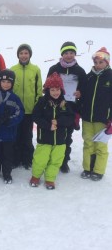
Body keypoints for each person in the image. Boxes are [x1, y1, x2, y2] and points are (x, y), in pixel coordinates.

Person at [47, 41, 86, 173]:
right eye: (66, 53)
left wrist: (81, 92)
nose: (69, 55)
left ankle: (64, 161)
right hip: (54, 108)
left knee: (66, 138)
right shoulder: (54, 69)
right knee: (51, 135)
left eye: (71, 53)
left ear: (75, 54)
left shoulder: (80, 71)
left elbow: (85, 89)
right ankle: (50, 159)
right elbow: (47, 88)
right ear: (62, 54)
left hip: (70, 109)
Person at [30, 72, 74, 189]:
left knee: (56, 160)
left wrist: (59, 122)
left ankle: (50, 179)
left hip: (60, 140)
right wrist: (48, 125)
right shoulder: (42, 102)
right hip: (45, 137)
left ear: (62, 90)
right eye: (53, 90)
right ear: (48, 90)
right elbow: (36, 116)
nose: (55, 92)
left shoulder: (65, 103)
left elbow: (71, 118)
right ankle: (36, 176)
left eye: (58, 89)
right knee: (41, 159)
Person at [0, 69, 24, 184]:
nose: (5, 84)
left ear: (12, 84)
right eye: (3, 82)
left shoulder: (15, 98)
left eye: (8, 82)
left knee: (8, 156)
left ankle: (7, 174)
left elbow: (20, 112)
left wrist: (9, 121)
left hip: (9, 135)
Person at [80, 47, 112, 181]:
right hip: (87, 117)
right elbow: (83, 94)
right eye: (96, 62)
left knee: (100, 145)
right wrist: (79, 94)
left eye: (101, 62)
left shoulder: (110, 77)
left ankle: (98, 170)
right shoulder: (89, 76)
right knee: (88, 143)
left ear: (107, 63)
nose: (98, 65)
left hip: (102, 119)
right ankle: (88, 168)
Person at [11, 44, 43, 169]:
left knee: (27, 135)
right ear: (18, 55)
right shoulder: (13, 69)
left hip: (29, 110)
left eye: (26, 53)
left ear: (30, 55)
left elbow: (38, 89)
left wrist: (37, 105)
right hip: (16, 110)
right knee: (16, 135)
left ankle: (27, 159)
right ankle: (15, 159)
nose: (24, 55)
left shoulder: (35, 70)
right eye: (21, 53)